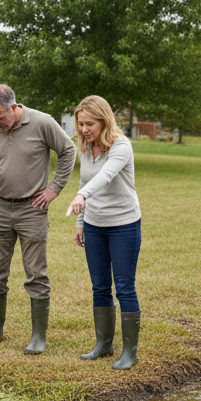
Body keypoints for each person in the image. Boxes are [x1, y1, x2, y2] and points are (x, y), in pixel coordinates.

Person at [0, 84, 77, 354]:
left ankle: (38, 337)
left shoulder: (42, 123)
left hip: (32, 209)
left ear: (14, 108)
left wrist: (54, 189)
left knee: (35, 274)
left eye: (1, 119)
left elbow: (68, 151)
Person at [65, 95, 142, 369]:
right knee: (99, 286)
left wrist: (81, 196)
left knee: (124, 287)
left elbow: (105, 175)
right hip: (95, 226)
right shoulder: (85, 147)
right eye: (81, 124)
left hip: (123, 225)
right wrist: (80, 223)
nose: (84, 129)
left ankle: (129, 353)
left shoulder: (121, 146)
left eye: (90, 124)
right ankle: (103, 345)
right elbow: (85, 180)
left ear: (104, 120)